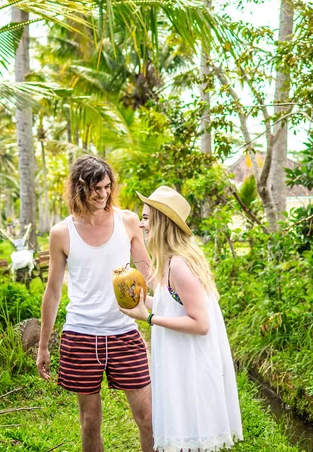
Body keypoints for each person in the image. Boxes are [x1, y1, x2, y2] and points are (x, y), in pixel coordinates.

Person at [36, 156, 153, 452]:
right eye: (95, 189)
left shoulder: (127, 221)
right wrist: (43, 345)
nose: (102, 195)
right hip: (81, 334)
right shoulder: (61, 233)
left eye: (106, 187)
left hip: (124, 331)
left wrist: (181, 294)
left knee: (149, 417)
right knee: (90, 420)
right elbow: (52, 291)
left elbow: (148, 272)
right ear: (78, 189)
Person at [119, 186, 243, 452]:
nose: (141, 224)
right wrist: (141, 303)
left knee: (191, 431)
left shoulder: (179, 265)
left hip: (191, 363)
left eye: (146, 218)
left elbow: (200, 323)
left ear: (162, 222)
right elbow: (172, 305)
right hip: (181, 358)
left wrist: (149, 318)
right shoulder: (169, 261)